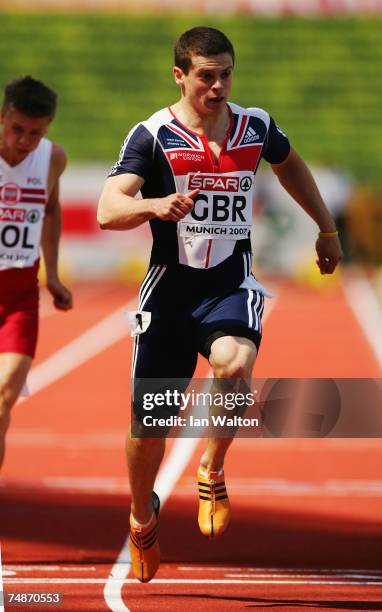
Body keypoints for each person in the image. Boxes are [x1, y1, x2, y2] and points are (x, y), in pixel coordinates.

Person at [97, 26, 342, 583]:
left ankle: (212, 468)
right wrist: (155, 204)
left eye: (226, 73)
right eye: (206, 75)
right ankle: (142, 518)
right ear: (180, 75)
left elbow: (291, 166)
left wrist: (326, 229)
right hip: (169, 294)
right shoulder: (153, 134)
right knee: (147, 430)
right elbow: (109, 209)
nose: (219, 85)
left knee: (235, 361)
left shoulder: (255, 126)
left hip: (229, 285)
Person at [0, 76, 72, 469]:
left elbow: (50, 209)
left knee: (3, 399)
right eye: (16, 129)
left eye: (35, 132)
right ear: (2, 116)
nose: (24, 140)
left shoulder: (52, 158)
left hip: (19, 298)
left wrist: (54, 274)